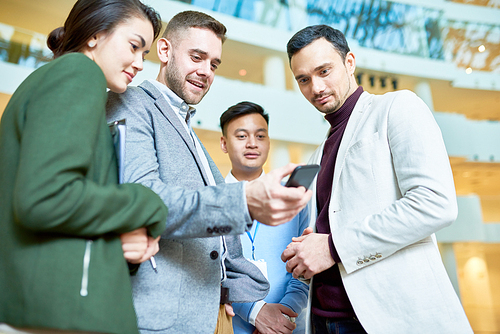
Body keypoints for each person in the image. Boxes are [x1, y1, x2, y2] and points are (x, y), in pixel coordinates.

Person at [106, 10, 311, 334]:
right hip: (161, 319)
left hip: (211, 313)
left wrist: (233, 293)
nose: (205, 72)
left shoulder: (189, 131)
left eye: (214, 64)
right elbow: (144, 198)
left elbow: (219, 239)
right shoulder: (132, 102)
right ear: (164, 51)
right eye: (197, 57)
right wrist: (245, 199)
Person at [280, 25, 473, 334]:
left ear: (350, 63)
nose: (315, 87)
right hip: (321, 319)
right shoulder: (318, 152)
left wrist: (333, 247)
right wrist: (305, 245)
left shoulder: (397, 107)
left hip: (387, 317)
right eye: (304, 79)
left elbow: (435, 203)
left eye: (324, 71)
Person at [0, 1, 168, 333]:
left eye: (144, 54)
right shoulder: (78, 73)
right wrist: (148, 204)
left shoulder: (54, 78)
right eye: (134, 46)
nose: (139, 63)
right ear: (94, 35)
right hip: (61, 314)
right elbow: (45, 198)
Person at [220, 101, 309, 334]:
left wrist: (282, 315)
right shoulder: (212, 200)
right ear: (224, 143)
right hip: (230, 327)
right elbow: (210, 271)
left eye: (261, 136)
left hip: (287, 327)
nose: (252, 144)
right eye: (241, 136)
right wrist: (256, 313)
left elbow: (303, 270)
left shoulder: (292, 197)